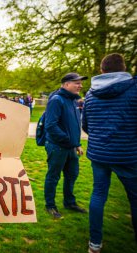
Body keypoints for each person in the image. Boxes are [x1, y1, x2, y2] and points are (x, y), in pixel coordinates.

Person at [82, 53, 137, 253]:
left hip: (99, 154)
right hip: (127, 154)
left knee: (98, 196)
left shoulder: (90, 94)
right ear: (123, 68)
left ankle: (94, 244)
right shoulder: (134, 89)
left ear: (102, 70)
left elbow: (86, 125)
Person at [44, 72, 87, 219]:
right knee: (53, 177)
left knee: (72, 175)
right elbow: (51, 126)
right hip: (57, 147)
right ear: (67, 84)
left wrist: (77, 144)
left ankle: (69, 202)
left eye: (81, 83)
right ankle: (50, 205)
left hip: (71, 147)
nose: (80, 85)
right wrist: (70, 141)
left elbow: (73, 125)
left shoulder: (73, 100)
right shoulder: (57, 100)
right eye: (77, 82)